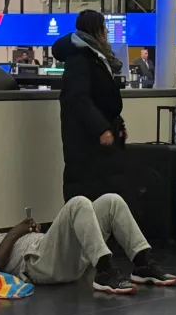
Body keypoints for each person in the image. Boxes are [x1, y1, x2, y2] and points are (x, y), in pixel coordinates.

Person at [0, 195, 176, 294]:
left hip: (50, 252)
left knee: (111, 201)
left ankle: (141, 263)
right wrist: (14, 233)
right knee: (78, 203)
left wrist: (24, 233)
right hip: (38, 266)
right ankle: (105, 270)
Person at [54, 10, 130, 204]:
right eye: (103, 27)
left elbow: (102, 96)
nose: (106, 31)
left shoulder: (95, 55)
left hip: (99, 135)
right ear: (96, 29)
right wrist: (101, 128)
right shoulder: (80, 58)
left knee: (105, 188)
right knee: (87, 190)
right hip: (85, 139)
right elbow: (78, 98)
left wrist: (117, 124)